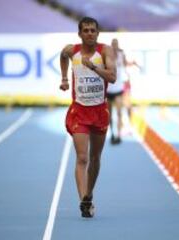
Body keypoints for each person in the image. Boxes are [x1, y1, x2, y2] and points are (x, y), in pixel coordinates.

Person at [59, 17, 116, 218]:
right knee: (82, 157)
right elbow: (62, 56)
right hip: (79, 112)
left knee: (95, 157)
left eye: (93, 30)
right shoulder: (71, 50)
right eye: (86, 30)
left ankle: (89, 194)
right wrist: (65, 78)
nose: (90, 33)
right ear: (80, 34)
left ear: (98, 33)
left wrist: (92, 67)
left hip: (99, 111)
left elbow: (112, 77)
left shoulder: (105, 51)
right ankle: (83, 200)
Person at [107, 38, 127, 145]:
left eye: (116, 44)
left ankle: (119, 135)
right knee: (109, 115)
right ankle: (112, 133)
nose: (115, 45)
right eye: (113, 44)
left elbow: (125, 64)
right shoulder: (107, 56)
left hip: (118, 89)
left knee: (119, 113)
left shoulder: (121, 55)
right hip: (109, 89)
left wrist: (122, 53)